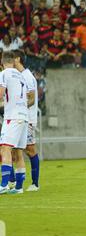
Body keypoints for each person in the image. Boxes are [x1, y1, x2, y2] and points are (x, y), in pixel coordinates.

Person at [0, 51, 30, 194]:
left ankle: (4, 184)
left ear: (2, 62)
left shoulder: (4, 74)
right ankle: (18, 188)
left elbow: (1, 93)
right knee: (18, 152)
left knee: (5, 148)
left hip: (12, 116)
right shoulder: (21, 76)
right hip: (24, 116)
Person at [14, 50, 40, 191]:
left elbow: (31, 99)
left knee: (30, 150)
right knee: (12, 150)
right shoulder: (19, 75)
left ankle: (35, 183)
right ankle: (13, 182)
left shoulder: (27, 76)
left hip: (27, 119)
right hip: (19, 117)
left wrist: (17, 106)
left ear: (17, 59)